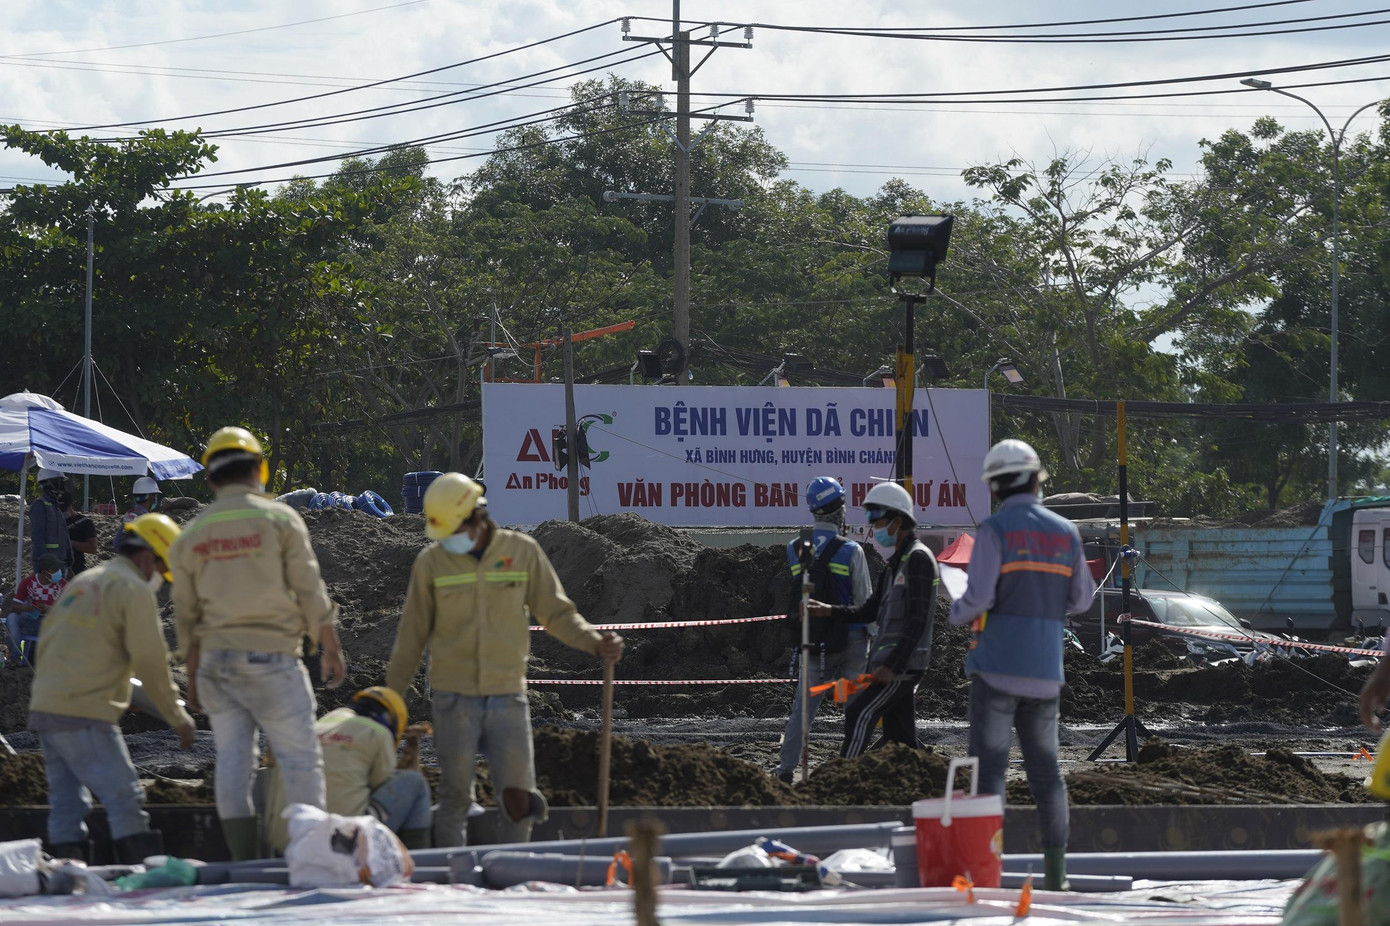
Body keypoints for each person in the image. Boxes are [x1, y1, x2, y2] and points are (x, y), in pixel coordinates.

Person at [386, 472, 624, 847]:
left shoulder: (522, 551)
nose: (448, 540)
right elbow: (410, 639)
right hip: (453, 700)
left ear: (477, 516)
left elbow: (557, 614)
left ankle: (514, 873)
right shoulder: (431, 564)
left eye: (453, 530)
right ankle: (455, 885)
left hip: (507, 697)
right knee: (454, 802)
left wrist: (595, 643)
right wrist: (390, 703)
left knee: (518, 799)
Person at [169, 425, 347, 861]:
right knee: (301, 763)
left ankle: (243, 864)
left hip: (216, 667)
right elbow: (310, 589)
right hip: (272, 663)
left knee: (233, 765)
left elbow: (186, 620)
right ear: (260, 470)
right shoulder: (280, 519)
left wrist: (192, 680)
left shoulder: (191, 534)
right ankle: (309, 859)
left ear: (210, 480)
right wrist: (331, 646)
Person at [947, 439, 1096, 892]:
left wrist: (955, 606)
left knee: (990, 772)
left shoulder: (994, 530)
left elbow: (979, 599)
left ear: (995, 487)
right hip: (1045, 671)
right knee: (1047, 775)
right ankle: (1057, 877)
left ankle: (987, 878)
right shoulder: (1066, 532)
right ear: (1035, 479)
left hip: (995, 667)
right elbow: (1082, 600)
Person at [27, 514, 197, 864]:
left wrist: (120, 690)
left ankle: (66, 883)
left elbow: (57, 644)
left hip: (46, 706)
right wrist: (178, 716)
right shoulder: (131, 589)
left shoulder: (86, 581)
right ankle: (140, 887)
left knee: (67, 804)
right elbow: (151, 663)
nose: (160, 580)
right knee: (124, 796)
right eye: (162, 569)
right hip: (84, 711)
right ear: (149, 557)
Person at [809, 481, 938, 759]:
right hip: (890, 663)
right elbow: (868, 610)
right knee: (900, 740)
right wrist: (828, 610)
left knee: (860, 712)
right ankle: (926, 788)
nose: (874, 527)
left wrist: (892, 665)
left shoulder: (918, 560)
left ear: (898, 520)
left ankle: (841, 778)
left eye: (877, 520)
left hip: (902, 664)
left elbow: (917, 620)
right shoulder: (894, 564)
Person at [775, 475, 874, 783]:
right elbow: (865, 602)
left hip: (813, 642)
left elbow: (802, 590)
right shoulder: (851, 550)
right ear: (839, 509)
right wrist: (875, 636)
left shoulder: (796, 548)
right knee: (854, 707)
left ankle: (785, 771)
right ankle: (851, 769)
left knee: (802, 711)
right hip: (852, 641)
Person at [263, 686, 432, 854]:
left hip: (286, 843)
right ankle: (414, 862)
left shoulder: (315, 727)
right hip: (340, 846)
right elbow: (382, 787)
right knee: (414, 783)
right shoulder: (378, 732)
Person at [4, 553, 68, 666]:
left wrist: (51, 609)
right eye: (55, 569)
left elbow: (75, 606)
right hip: (31, 621)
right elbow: (14, 607)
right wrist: (26, 607)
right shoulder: (28, 583)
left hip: (52, 624)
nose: (59, 572)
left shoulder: (63, 585)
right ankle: (15, 657)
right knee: (11, 617)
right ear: (44, 572)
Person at [28, 468, 72, 572]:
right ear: (48, 483)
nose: (62, 485)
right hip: (48, 567)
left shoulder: (55, 506)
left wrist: (69, 558)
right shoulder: (40, 506)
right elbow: (37, 537)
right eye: (59, 481)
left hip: (61, 563)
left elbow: (64, 536)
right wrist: (47, 563)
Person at [59, 491, 98, 575]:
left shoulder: (84, 522)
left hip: (76, 568)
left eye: (64, 509)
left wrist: (70, 543)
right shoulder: (53, 521)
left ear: (71, 505)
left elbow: (93, 548)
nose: (62, 512)